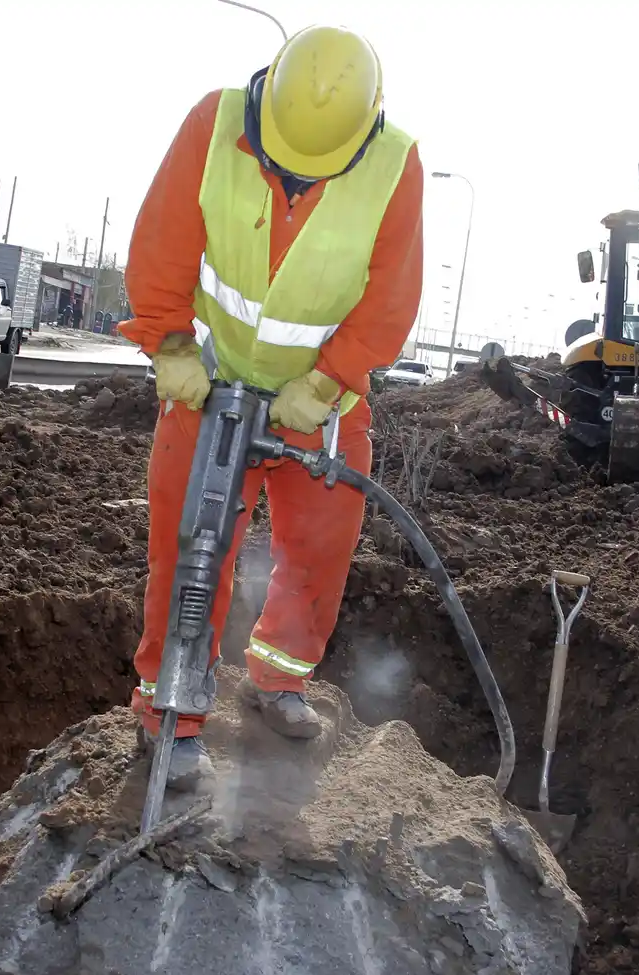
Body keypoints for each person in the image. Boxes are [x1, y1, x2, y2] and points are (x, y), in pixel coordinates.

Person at [119, 24, 424, 786]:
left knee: (320, 548)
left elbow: (390, 297)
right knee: (191, 551)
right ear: (266, 101)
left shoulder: (394, 166)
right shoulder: (215, 125)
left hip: (320, 399)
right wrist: (170, 347)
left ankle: (278, 679)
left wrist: (325, 385)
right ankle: (171, 712)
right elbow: (162, 243)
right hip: (211, 380)